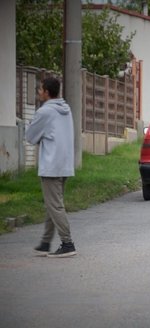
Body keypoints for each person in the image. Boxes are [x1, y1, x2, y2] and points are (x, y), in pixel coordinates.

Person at [26, 77, 77, 258]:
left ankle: (67, 243)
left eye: (40, 90)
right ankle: (45, 243)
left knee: (54, 206)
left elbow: (30, 136)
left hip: (51, 165)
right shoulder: (66, 109)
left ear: (47, 92)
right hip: (64, 164)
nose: (39, 92)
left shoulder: (45, 111)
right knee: (52, 204)